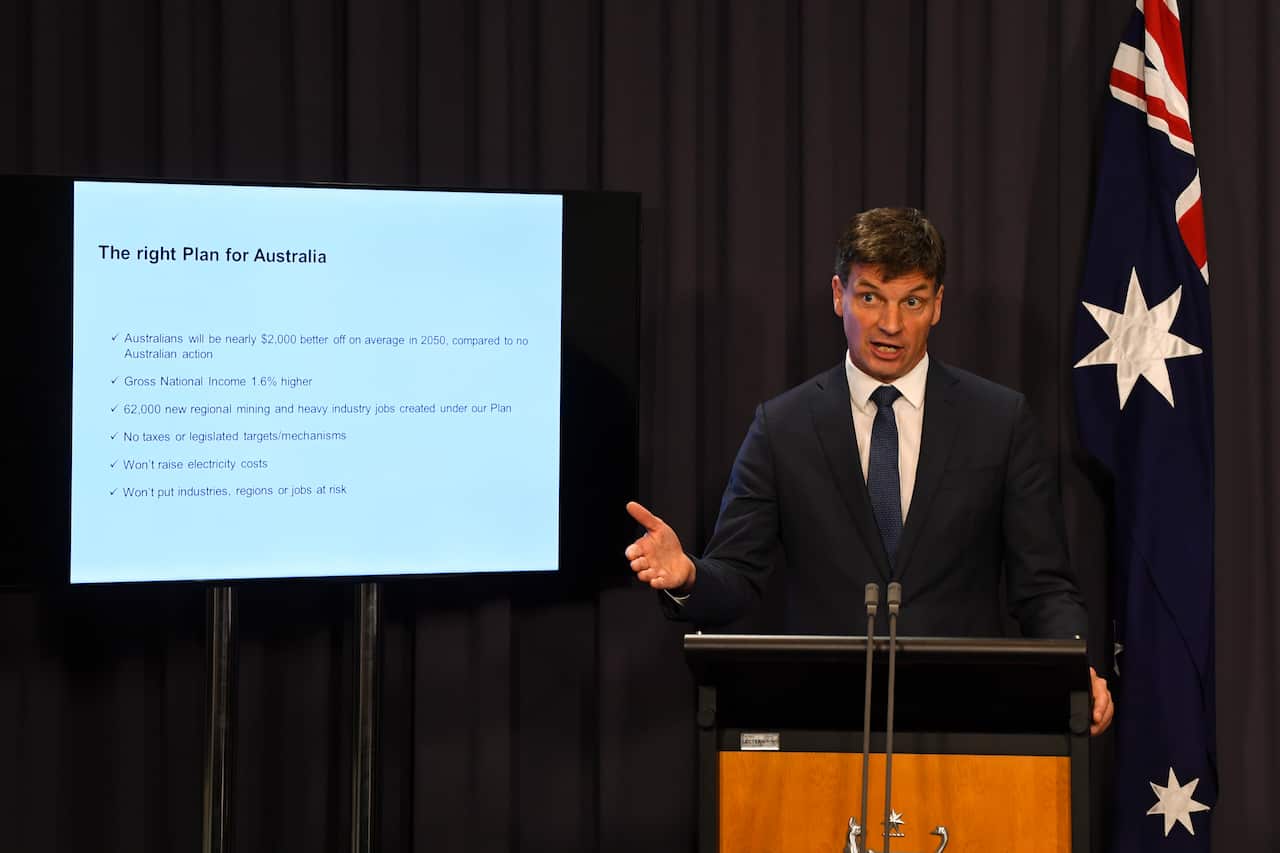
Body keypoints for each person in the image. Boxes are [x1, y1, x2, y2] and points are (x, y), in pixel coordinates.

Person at [625, 207, 1113, 735]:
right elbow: (738, 576)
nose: (891, 324)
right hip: (825, 726)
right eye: (870, 297)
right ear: (839, 295)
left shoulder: (999, 420)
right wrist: (688, 575)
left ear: (938, 305)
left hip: (965, 729)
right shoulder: (783, 426)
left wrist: (1074, 667)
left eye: (912, 301)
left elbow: (1042, 586)